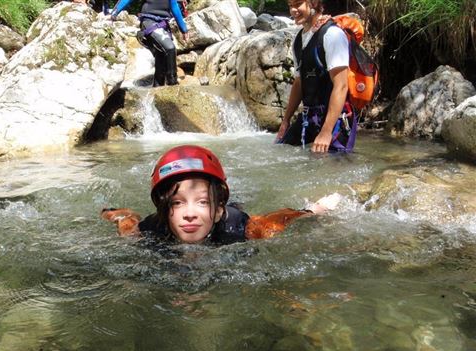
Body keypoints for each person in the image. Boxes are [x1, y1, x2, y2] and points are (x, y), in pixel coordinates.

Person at [101, 145, 341, 245]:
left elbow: (281, 220)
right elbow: (127, 226)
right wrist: (118, 216)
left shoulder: (241, 228)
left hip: (229, 215)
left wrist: (313, 211)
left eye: (202, 202)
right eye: (177, 203)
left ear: (217, 211)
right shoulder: (151, 230)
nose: (190, 214)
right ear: (165, 210)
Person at [275, 0, 357, 153]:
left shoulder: (333, 35)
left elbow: (341, 86)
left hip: (335, 118)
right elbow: (299, 82)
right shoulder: (298, 39)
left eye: (298, 4)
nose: (293, 10)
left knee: (329, 168)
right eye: (290, 5)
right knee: (280, 149)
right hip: (310, 116)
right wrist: (285, 121)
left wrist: (326, 132)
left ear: (313, 3)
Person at [109, 0, 189, 86]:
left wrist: (184, 29)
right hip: (149, 22)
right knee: (170, 48)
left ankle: (157, 89)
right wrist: (114, 14)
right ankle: (173, 84)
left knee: (161, 56)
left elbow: (174, 7)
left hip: (162, 24)